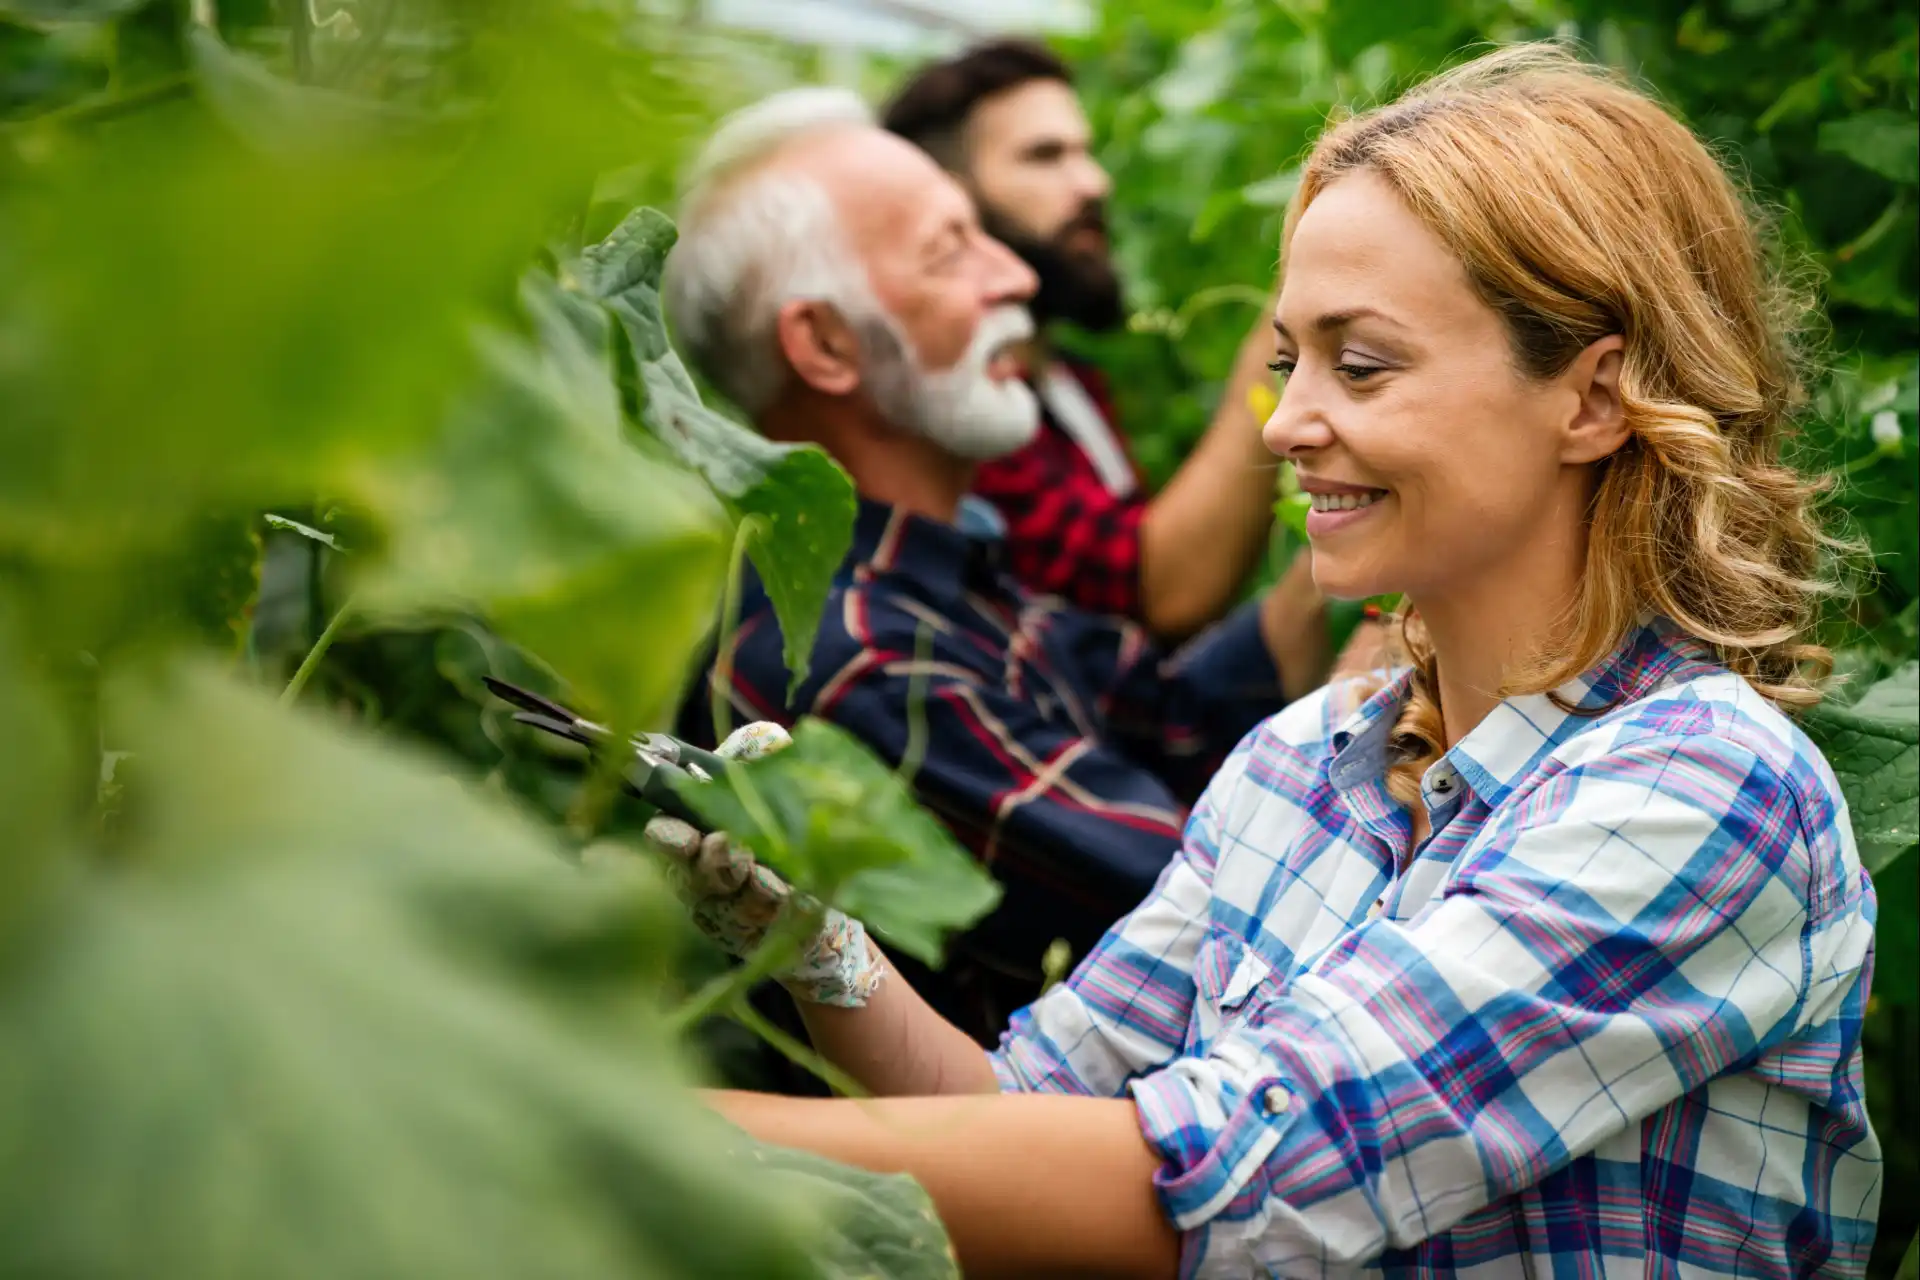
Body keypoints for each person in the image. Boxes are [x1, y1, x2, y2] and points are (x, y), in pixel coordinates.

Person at [660, 45, 1883, 1278]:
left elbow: (1221, 1185)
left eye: (1360, 363)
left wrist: (645, 1136)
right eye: (1290, 359)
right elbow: (1019, 1094)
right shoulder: (1296, 760)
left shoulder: (1705, 785)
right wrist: (832, 956)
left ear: (1592, 398)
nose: (1287, 422)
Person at [659, 87, 1335, 1043]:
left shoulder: (942, 565)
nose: (1016, 275)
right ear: (823, 343)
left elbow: (1175, 712)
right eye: (951, 251)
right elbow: (1213, 903)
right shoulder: (850, 662)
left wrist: (1375, 547)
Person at [881, 40, 1292, 640]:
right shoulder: (957, 409)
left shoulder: (1066, 378)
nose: (1094, 183)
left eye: (1085, 153)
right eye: (1046, 157)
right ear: (948, 197)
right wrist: (1283, 333)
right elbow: (1157, 594)